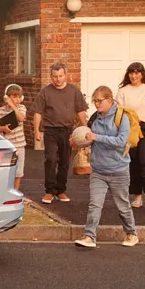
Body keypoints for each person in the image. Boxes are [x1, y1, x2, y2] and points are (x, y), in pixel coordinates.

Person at [74, 86, 138, 249]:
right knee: (95, 204)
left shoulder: (121, 117)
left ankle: (131, 233)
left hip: (118, 170)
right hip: (98, 170)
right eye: (94, 101)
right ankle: (89, 236)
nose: (96, 104)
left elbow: (121, 142)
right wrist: (79, 139)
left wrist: (97, 137)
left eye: (99, 101)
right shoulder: (95, 117)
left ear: (109, 100)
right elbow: (89, 138)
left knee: (123, 206)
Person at [33, 62, 88, 204]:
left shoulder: (74, 91)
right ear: (51, 76)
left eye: (61, 76)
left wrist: (86, 128)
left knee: (64, 161)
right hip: (50, 131)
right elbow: (38, 113)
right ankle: (49, 191)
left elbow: (81, 111)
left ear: (65, 75)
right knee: (51, 159)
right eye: (55, 76)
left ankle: (61, 190)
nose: (58, 79)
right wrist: (36, 131)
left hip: (67, 131)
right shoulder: (45, 92)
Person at [117, 61, 145, 208]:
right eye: (131, 73)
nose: (134, 76)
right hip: (131, 128)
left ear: (142, 74)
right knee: (133, 162)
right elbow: (118, 111)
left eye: (137, 72)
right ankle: (137, 196)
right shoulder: (123, 91)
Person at [0, 84, 27, 190]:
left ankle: (15, 192)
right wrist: (2, 128)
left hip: (19, 146)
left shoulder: (21, 108)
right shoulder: (0, 111)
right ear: (6, 97)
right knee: (5, 172)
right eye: (14, 97)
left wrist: (13, 106)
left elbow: (21, 118)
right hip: (6, 146)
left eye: (19, 97)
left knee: (18, 173)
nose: (17, 99)